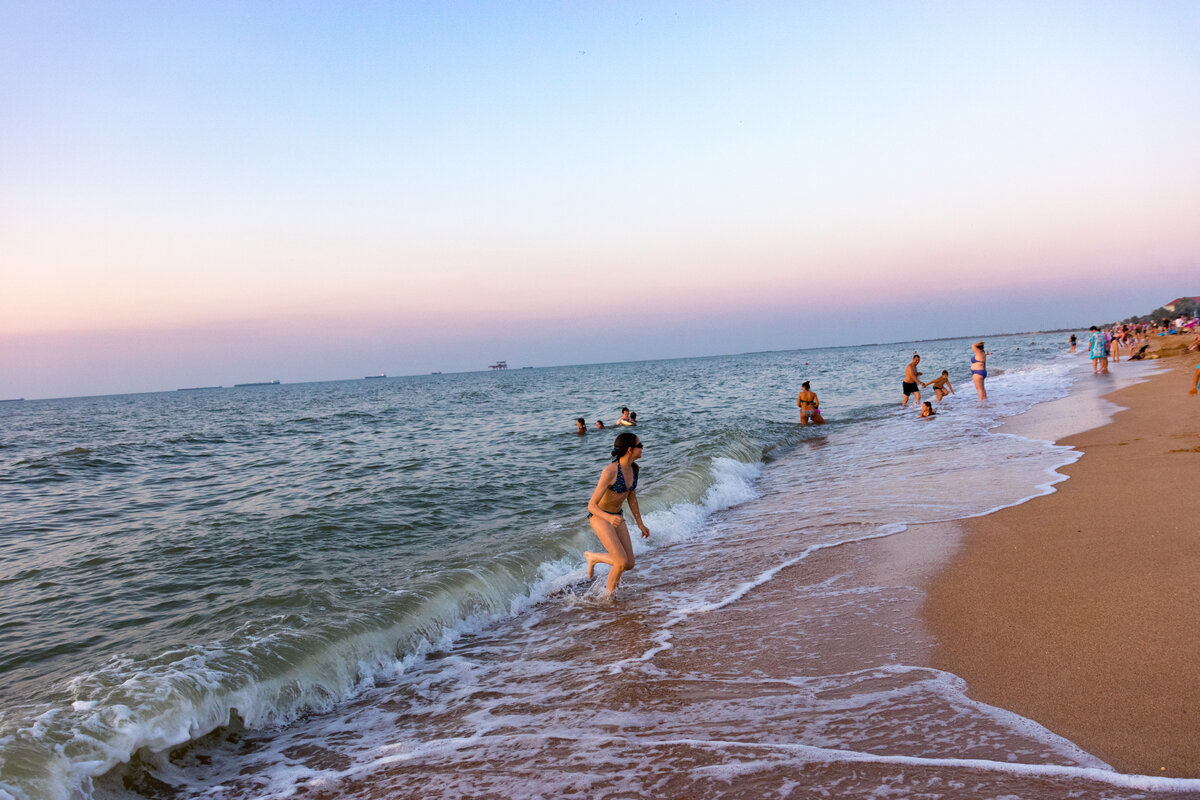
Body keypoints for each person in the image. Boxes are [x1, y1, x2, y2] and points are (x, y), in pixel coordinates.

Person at [585, 432, 650, 595]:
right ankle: (609, 599)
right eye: (639, 445)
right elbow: (591, 506)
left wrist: (640, 523)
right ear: (630, 449)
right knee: (620, 562)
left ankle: (594, 557)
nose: (642, 448)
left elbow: (632, 498)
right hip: (600, 516)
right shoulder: (610, 472)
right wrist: (609, 517)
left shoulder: (634, 469)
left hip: (616, 517)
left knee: (629, 564)